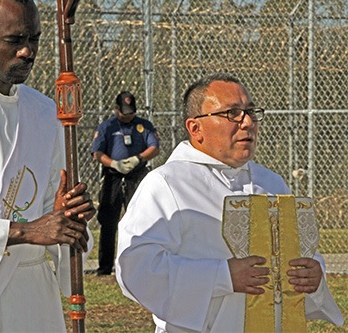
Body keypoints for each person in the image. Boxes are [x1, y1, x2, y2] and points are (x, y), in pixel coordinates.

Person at [115, 73, 344, 332]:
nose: (247, 122)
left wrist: (314, 275)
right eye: (232, 113)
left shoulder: (271, 183)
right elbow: (135, 266)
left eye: (250, 111)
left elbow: (302, 253)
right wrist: (222, 277)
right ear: (195, 128)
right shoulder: (167, 184)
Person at [0, 0, 95, 332]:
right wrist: (24, 231)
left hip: (33, 297)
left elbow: (49, 215)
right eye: (14, 40)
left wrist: (67, 217)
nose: (27, 51)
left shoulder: (47, 113)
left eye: (34, 39)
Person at [92, 91, 160, 275]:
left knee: (140, 219)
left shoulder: (143, 126)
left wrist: (138, 159)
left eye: (131, 112)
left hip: (136, 176)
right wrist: (114, 163)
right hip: (113, 176)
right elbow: (97, 152)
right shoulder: (108, 126)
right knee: (108, 221)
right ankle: (105, 267)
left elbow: (154, 147)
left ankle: (139, 264)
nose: (128, 116)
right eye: (124, 112)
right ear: (116, 109)